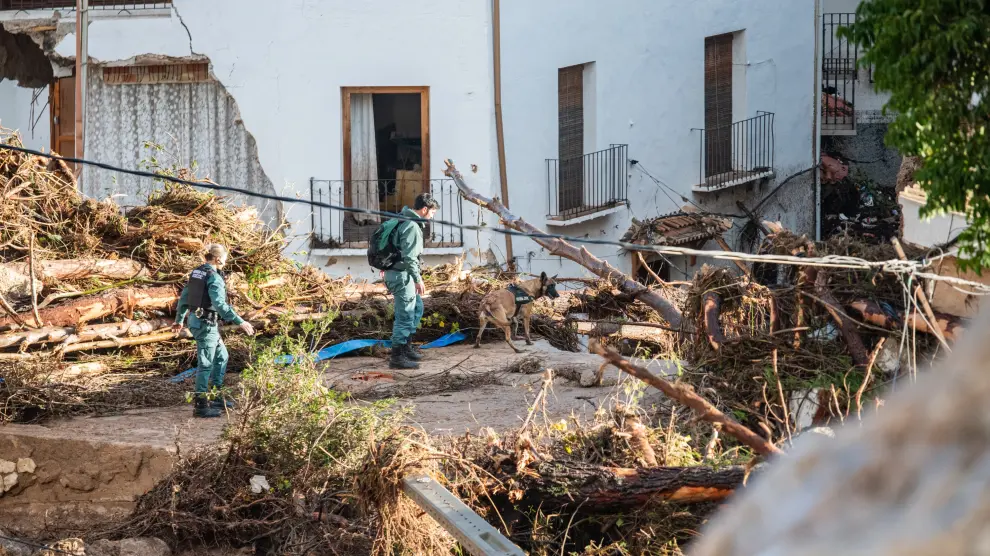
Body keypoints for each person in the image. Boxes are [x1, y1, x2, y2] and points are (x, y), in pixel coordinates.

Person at [172, 244, 255, 418]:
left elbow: (184, 299)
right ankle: (201, 405)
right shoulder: (215, 278)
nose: (226, 261)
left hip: (197, 321)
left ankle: (216, 396)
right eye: (224, 257)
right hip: (205, 324)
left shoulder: (197, 272)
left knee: (222, 356)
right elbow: (220, 305)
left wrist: (179, 320)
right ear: (217, 259)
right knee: (206, 364)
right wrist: (240, 321)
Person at [385, 192, 439, 370]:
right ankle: (397, 357)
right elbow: (410, 257)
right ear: (424, 209)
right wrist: (418, 279)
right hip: (403, 275)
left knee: (416, 308)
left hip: (399, 273)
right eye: (432, 213)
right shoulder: (411, 225)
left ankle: (406, 348)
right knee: (405, 314)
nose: (432, 216)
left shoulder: (402, 219)